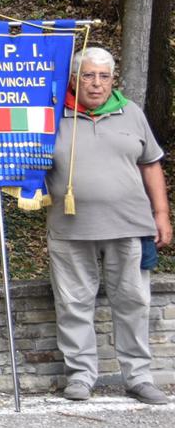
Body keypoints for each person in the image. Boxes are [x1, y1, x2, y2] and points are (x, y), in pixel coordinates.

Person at [45, 46, 171, 404]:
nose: (96, 83)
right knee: (73, 304)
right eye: (88, 75)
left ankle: (139, 377)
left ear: (113, 80)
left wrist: (161, 214)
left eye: (104, 76)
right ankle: (81, 376)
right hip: (70, 229)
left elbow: (151, 164)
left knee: (133, 302)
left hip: (128, 225)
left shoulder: (130, 112)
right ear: (74, 79)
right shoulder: (52, 115)